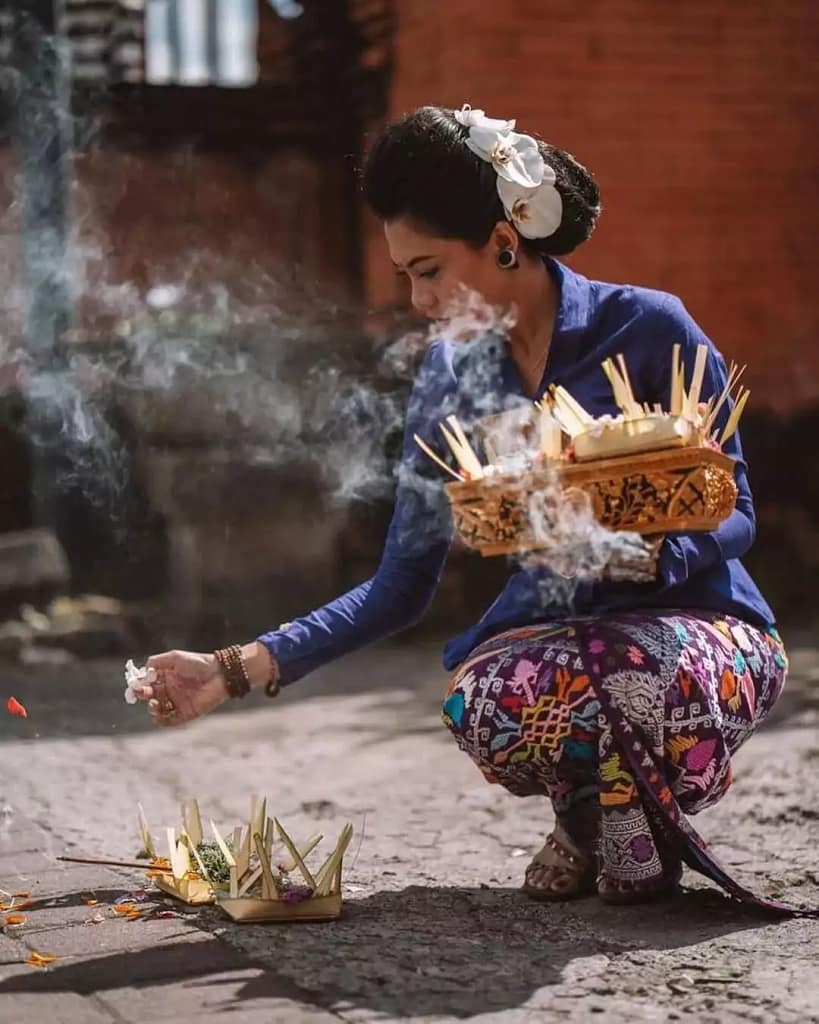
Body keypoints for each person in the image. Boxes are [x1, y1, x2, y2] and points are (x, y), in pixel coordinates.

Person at [134, 104, 798, 912]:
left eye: (428, 269)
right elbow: (398, 587)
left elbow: (739, 513)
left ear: (504, 238)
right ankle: (594, 812)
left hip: (700, 634)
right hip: (561, 642)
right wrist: (230, 671)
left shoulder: (646, 326)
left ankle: (617, 825)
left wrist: (657, 556)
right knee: (480, 699)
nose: (417, 300)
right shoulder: (451, 378)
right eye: (404, 274)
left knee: (637, 673)